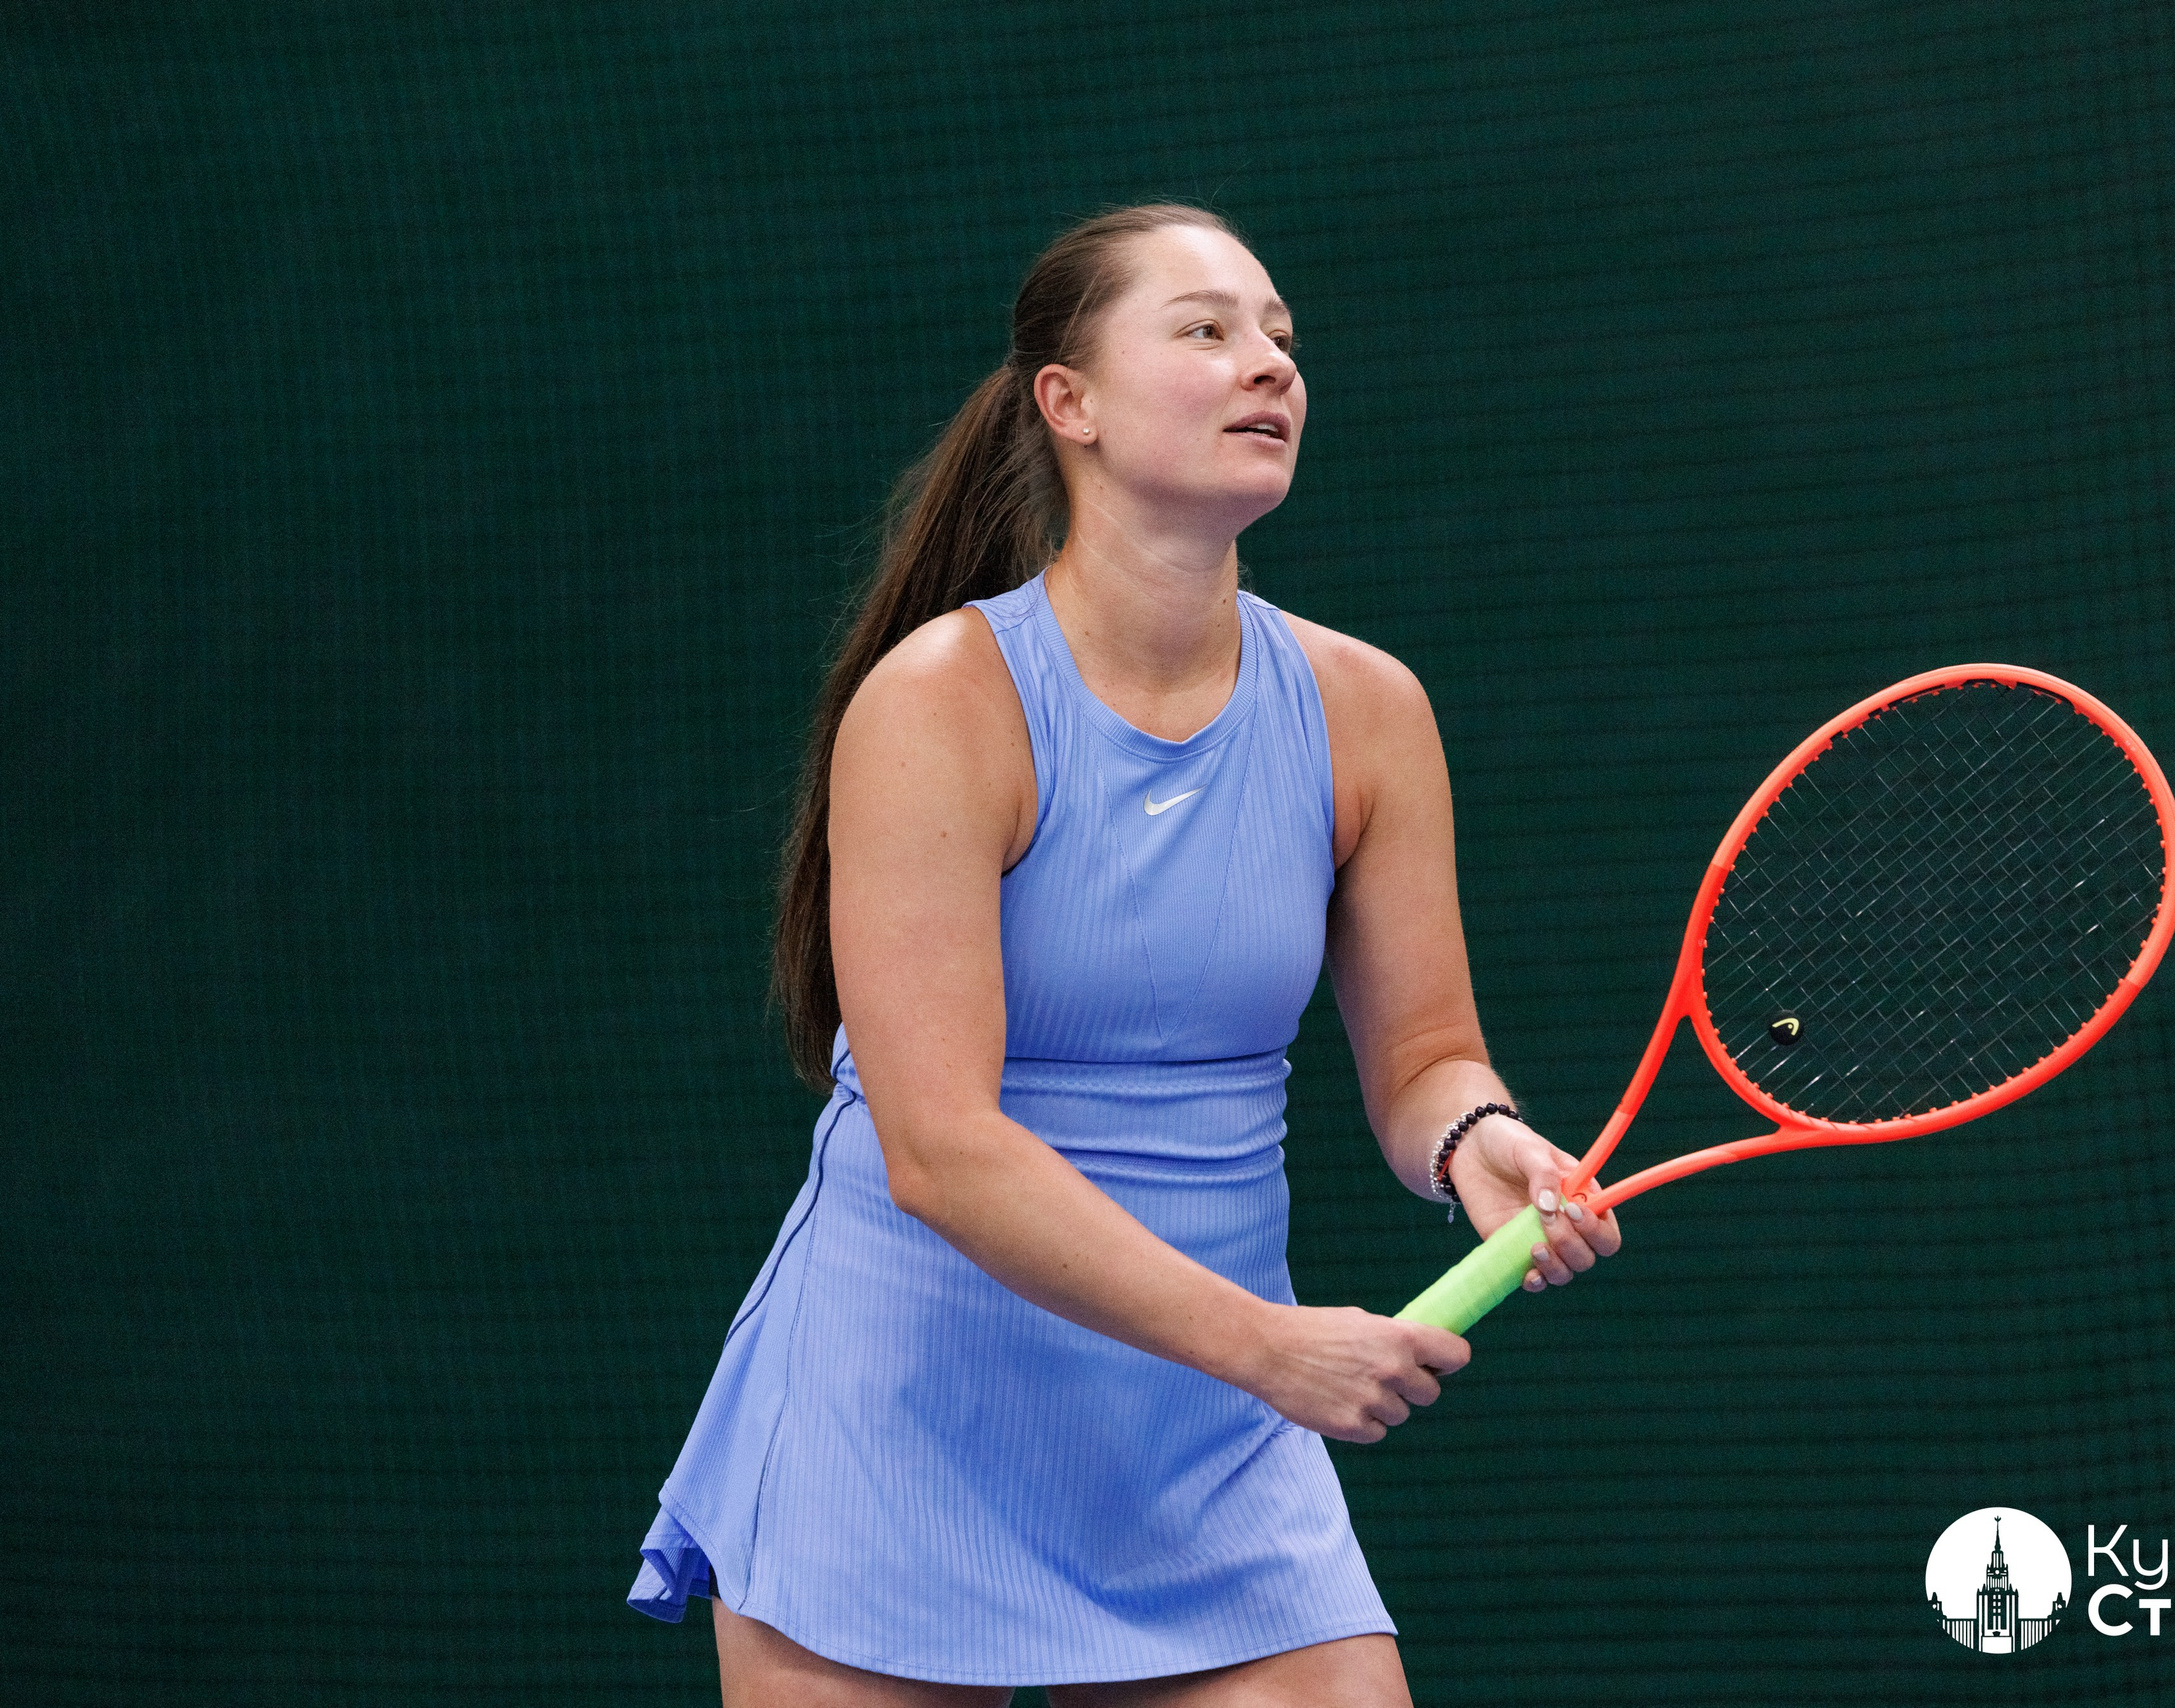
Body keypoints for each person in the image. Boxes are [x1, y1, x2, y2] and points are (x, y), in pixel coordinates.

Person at [628, 202, 1622, 1706]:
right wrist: (1269, 1351)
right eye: (1208, 330)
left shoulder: (1367, 712)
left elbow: (1425, 1059)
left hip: (1204, 1447)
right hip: (905, 1419)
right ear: (1068, 404)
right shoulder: (941, 705)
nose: (1268, 365)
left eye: (1282, 337)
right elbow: (943, 1151)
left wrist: (1476, 1141)